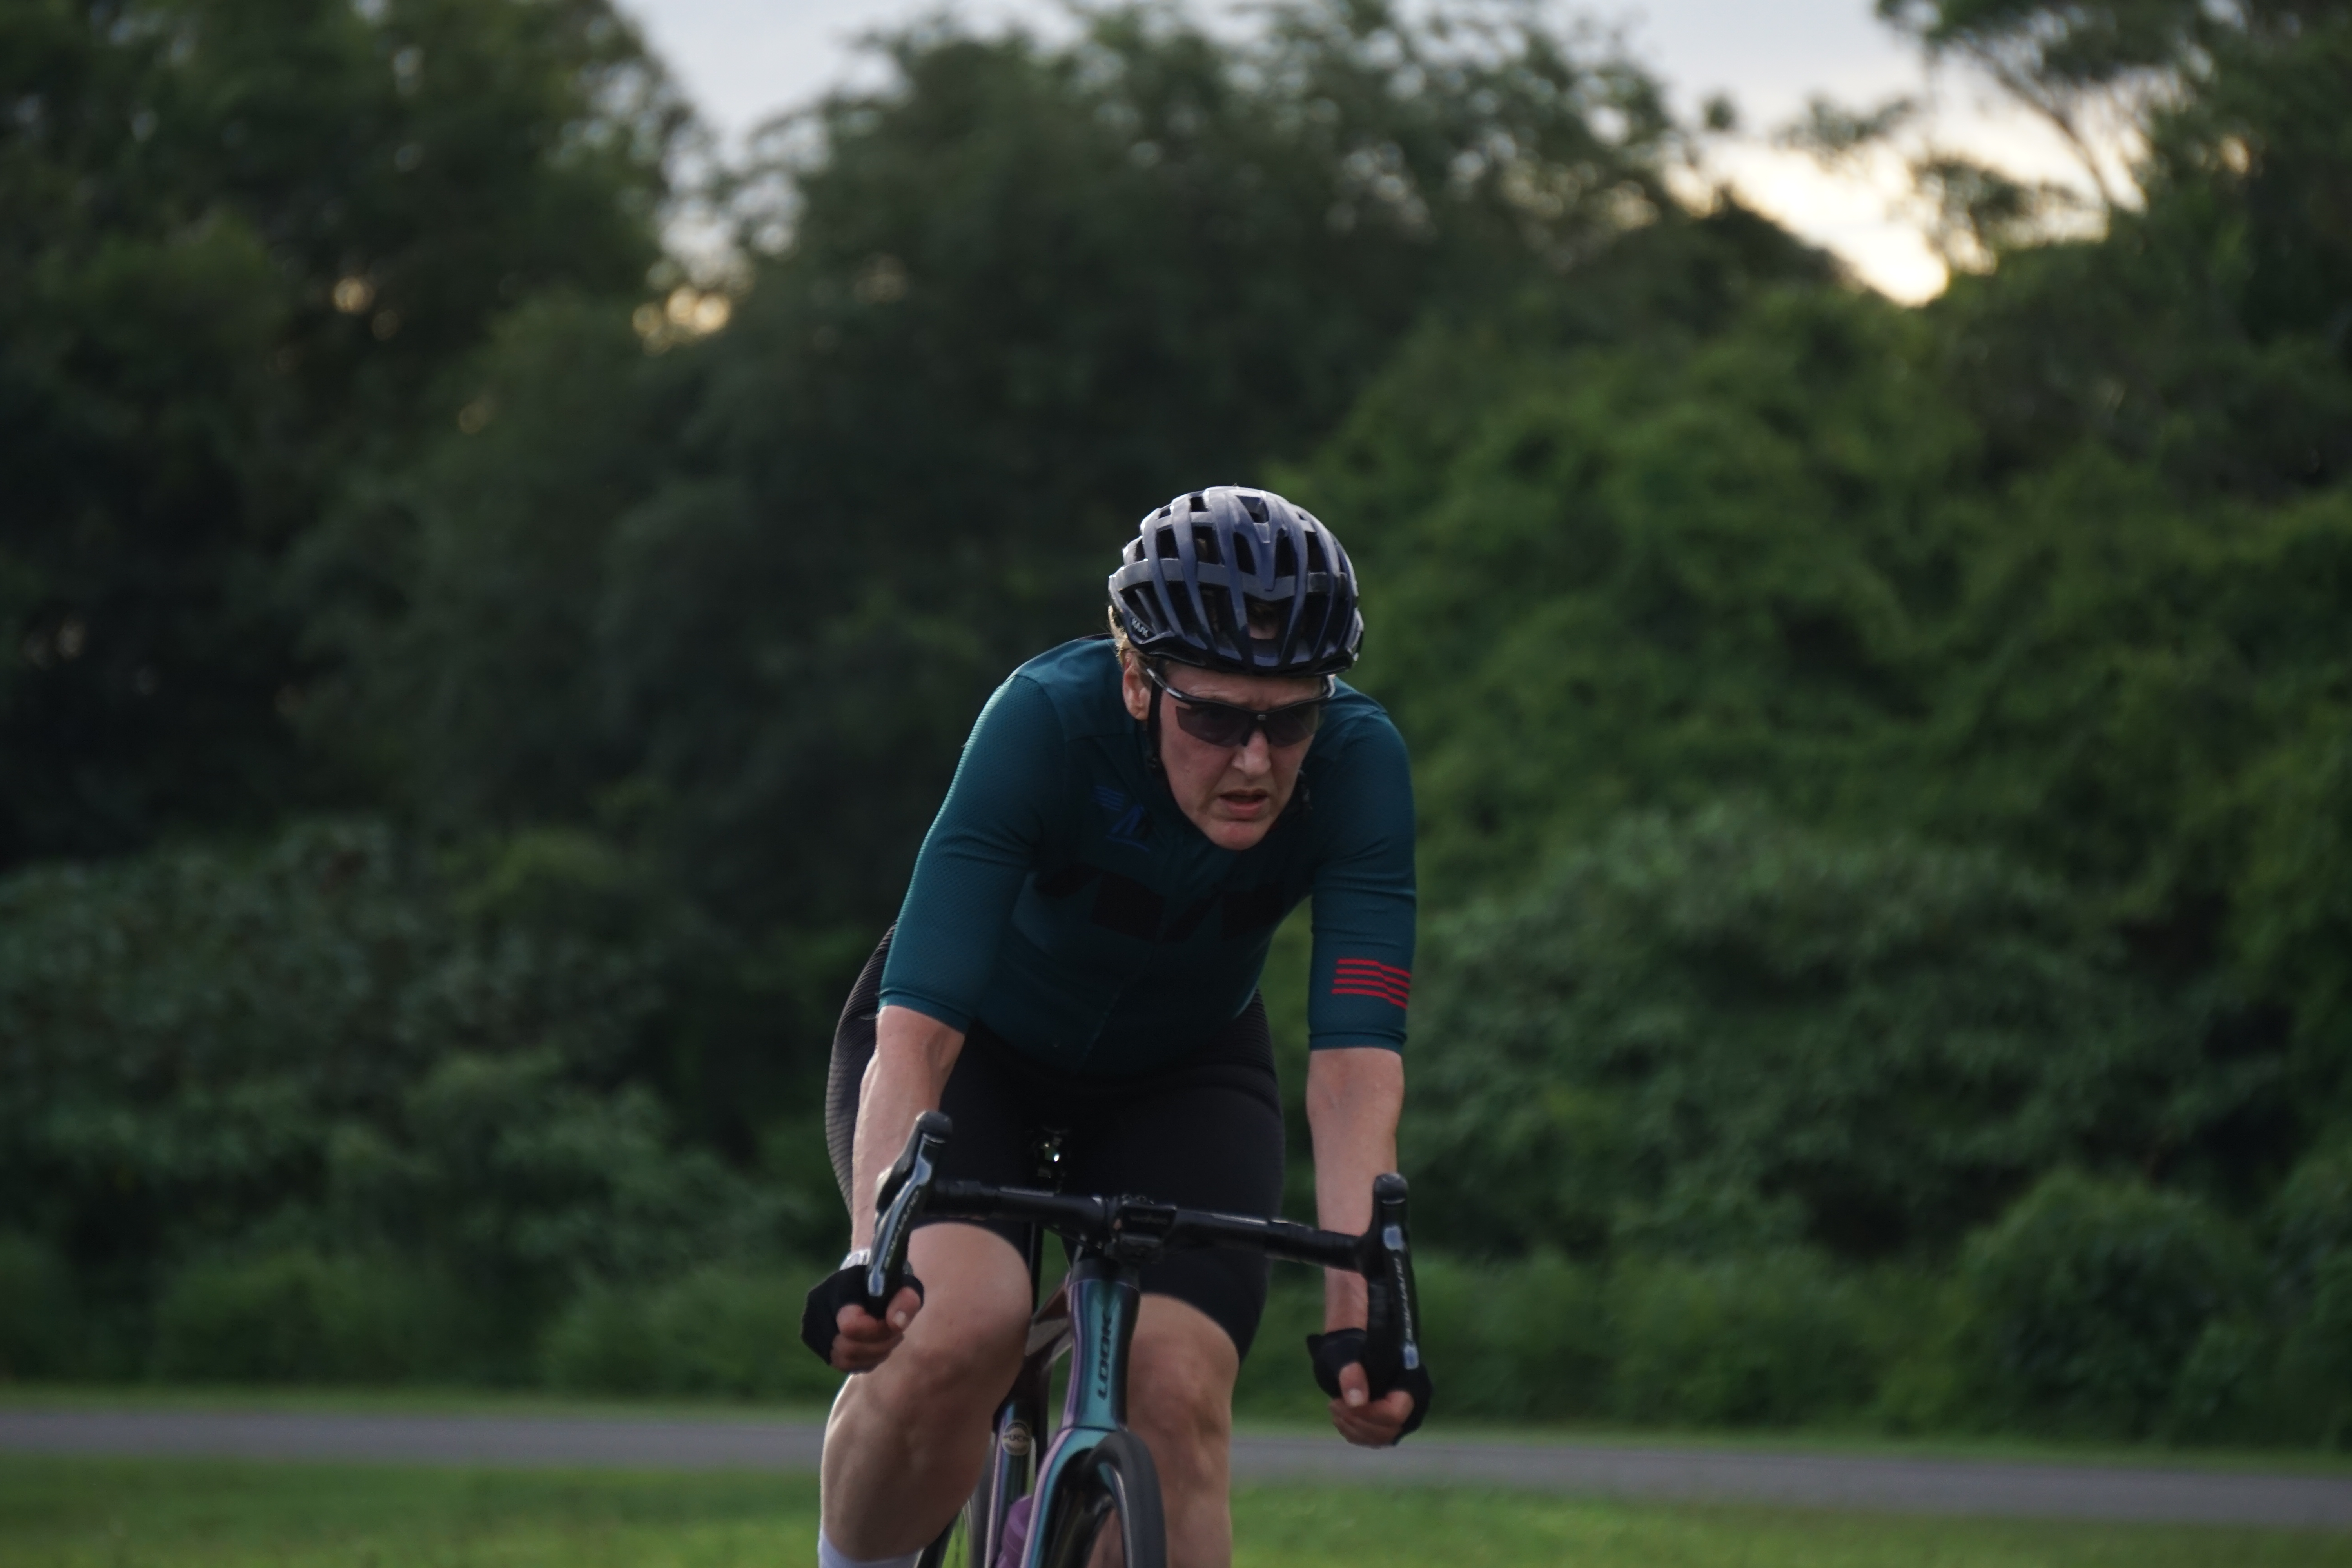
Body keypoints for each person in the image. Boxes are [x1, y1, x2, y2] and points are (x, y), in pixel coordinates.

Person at [810, 486, 1422, 1568]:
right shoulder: (1044, 722)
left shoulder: (1361, 765)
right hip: (978, 1052)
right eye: (1215, 718)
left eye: (1289, 719)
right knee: (956, 1325)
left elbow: (1354, 1070)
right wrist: (875, 1253)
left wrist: (1359, 1315)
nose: (1255, 760)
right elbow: (920, 1030)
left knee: (1177, 1390)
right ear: (1137, 679)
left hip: (1185, 1072)